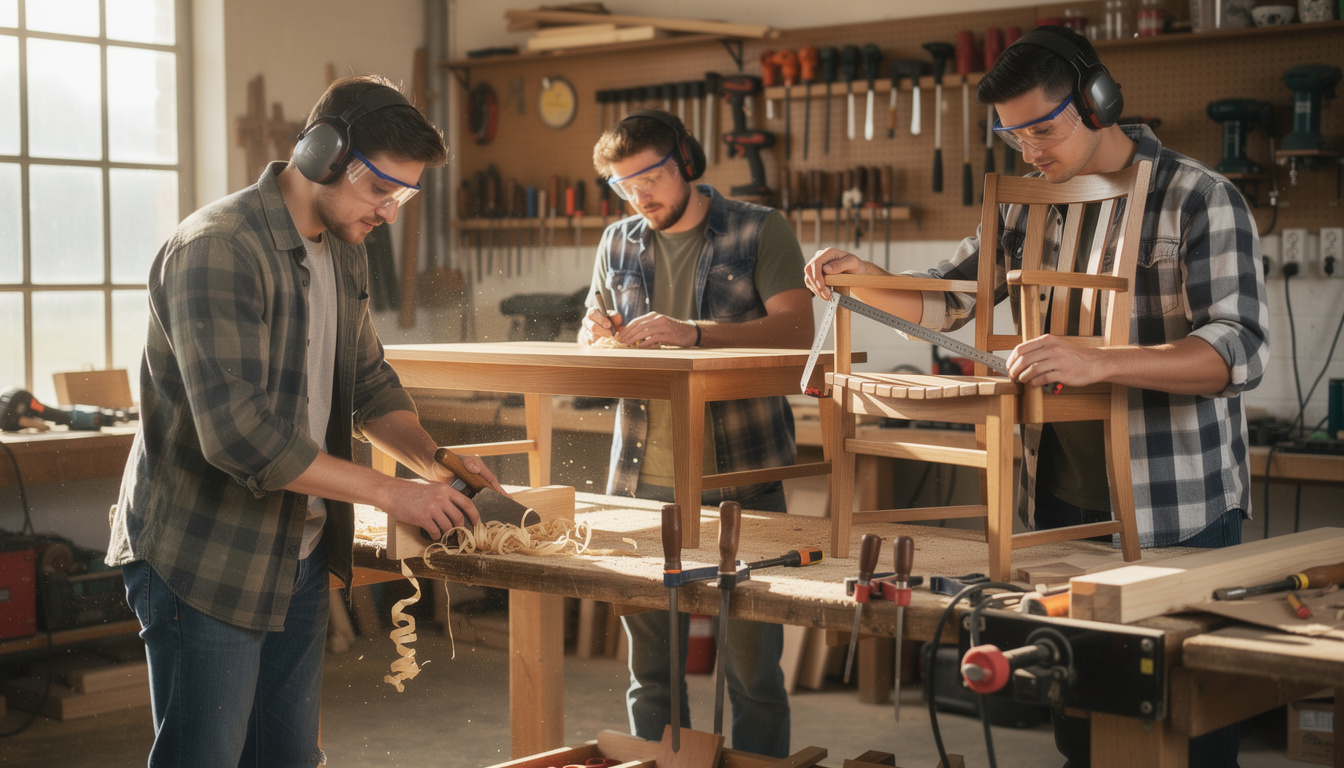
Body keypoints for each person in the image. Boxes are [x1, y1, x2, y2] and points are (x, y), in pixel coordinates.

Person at [804, 26, 1268, 768]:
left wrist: (1099, 361)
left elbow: (1239, 352)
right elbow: (953, 303)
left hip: (1176, 505)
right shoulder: (1029, 205)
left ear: (1097, 102)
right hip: (1056, 505)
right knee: (1080, 723)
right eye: (1010, 135)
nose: (1029, 150)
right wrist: (868, 276)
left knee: (1185, 727)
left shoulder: (1199, 197)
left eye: (1042, 129)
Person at [107, 75, 506, 766]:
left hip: (295, 552)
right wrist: (391, 493)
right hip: (206, 556)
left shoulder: (344, 246)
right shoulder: (218, 249)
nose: (390, 211)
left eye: (404, 196)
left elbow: (369, 384)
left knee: (289, 759)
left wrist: (431, 464)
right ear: (324, 153)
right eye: (382, 189)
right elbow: (239, 435)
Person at [579, 109, 813, 757]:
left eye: (650, 177)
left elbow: (798, 334)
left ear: (687, 160)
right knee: (651, 677)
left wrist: (696, 333)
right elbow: (590, 328)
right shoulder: (617, 241)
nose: (639, 196)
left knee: (753, 676)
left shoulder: (758, 229)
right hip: (642, 488)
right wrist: (593, 335)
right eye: (624, 185)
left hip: (742, 481)